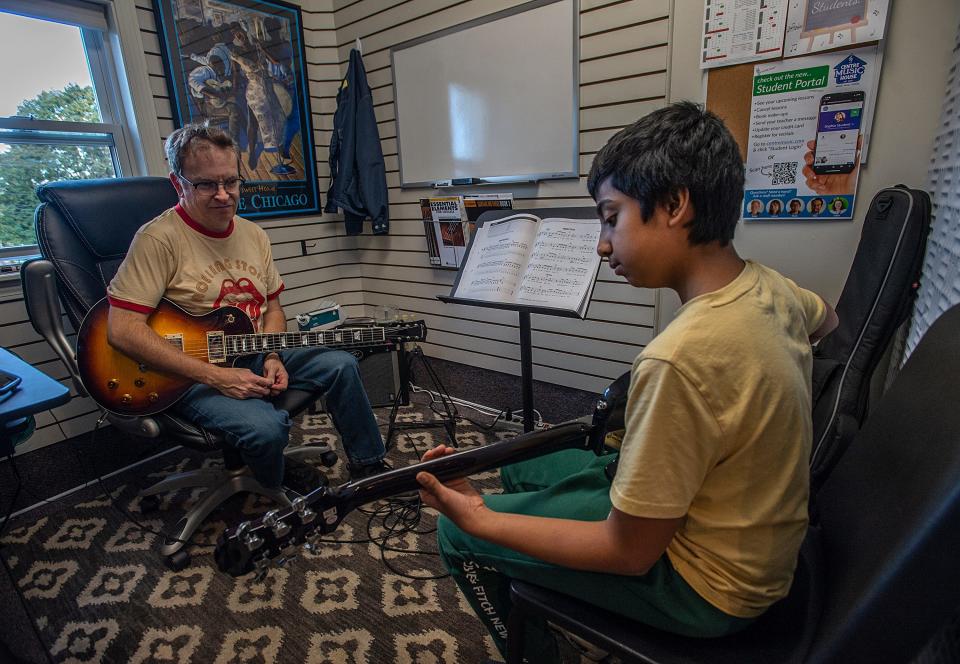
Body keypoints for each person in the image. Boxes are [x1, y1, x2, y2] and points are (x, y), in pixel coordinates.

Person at [416, 102, 838, 662]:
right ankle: (546, 563)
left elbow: (629, 551)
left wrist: (479, 517)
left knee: (458, 534)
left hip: (706, 590)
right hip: (753, 547)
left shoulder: (677, 359)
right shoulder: (773, 289)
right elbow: (828, 321)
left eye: (611, 216)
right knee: (517, 459)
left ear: (674, 205)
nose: (602, 243)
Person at [106, 123, 389, 495]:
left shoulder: (253, 234)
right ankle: (273, 480)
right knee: (265, 429)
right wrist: (217, 377)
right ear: (179, 184)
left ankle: (370, 465)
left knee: (341, 364)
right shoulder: (157, 239)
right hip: (188, 374)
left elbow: (273, 308)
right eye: (207, 184)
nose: (224, 195)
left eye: (231, 182)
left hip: (249, 351)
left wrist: (271, 352)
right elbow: (122, 329)